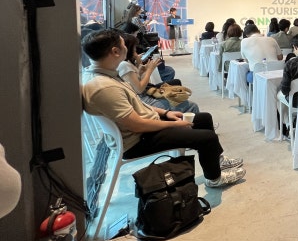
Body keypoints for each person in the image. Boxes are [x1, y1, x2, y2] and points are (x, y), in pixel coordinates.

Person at [81, 29, 245, 188]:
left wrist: (166, 113)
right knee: (207, 138)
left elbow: (138, 105)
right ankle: (214, 178)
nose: (129, 49)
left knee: (204, 118)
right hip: (138, 140)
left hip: (145, 127)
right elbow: (136, 125)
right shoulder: (104, 87)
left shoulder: (107, 75)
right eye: (124, 45)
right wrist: (174, 124)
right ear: (115, 51)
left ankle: (216, 160)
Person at [118, 34, 200, 113]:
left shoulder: (126, 64)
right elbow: (139, 89)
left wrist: (140, 70)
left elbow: (135, 83)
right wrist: (149, 70)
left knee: (175, 84)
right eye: (134, 49)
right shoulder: (124, 65)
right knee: (192, 106)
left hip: (144, 97)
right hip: (144, 101)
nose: (135, 51)